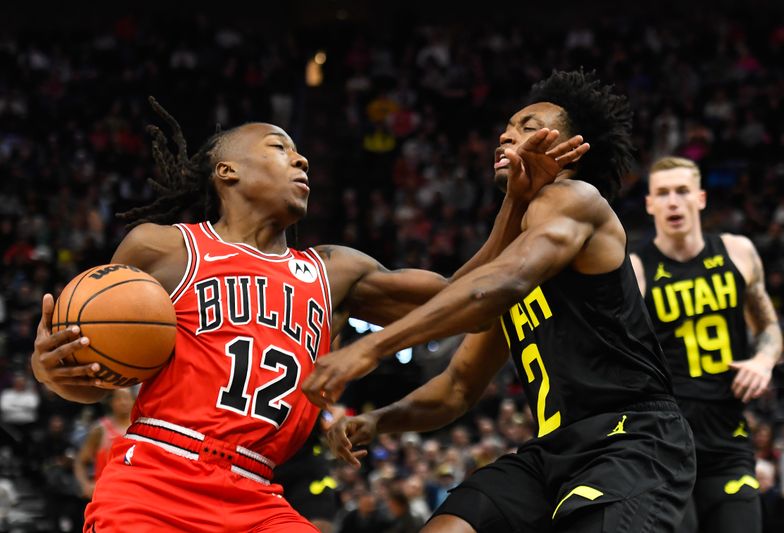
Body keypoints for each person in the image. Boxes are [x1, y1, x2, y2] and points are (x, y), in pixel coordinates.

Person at [30, 98, 586, 531]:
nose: (301, 159)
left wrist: (515, 201)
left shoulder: (335, 271)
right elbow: (95, 373)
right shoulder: (162, 248)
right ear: (227, 171)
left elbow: (462, 297)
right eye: (279, 148)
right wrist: (54, 373)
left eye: (300, 153)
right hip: (158, 476)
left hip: (258, 492)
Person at [311, 70, 696, 532]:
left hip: (629, 439)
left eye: (530, 127)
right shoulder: (518, 239)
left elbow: (500, 282)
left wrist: (373, 346)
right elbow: (457, 387)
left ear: (569, 149)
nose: (507, 135)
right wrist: (380, 421)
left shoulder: (575, 198)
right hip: (551, 450)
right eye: (508, 128)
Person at [629, 156, 783, 533]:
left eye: (682, 191)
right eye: (662, 194)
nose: (672, 202)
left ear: (700, 198)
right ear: (649, 204)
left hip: (728, 437)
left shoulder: (738, 252)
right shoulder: (636, 268)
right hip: (665, 443)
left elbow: (768, 327)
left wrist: (763, 361)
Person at [73, 388, 135, 501]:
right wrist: (85, 484)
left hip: (134, 494)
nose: (123, 402)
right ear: (111, 402)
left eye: (126, 398)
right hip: (106, 495)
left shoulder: (141, 428)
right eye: (119, 398)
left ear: (133, 400)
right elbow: (80, 461)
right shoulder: (100, 429)